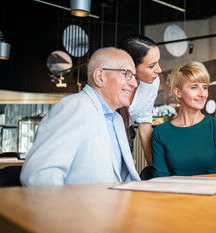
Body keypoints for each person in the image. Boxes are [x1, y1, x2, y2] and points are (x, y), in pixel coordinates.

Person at [20, 47, 141, 186]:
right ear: (100, 77)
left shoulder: (117, 119)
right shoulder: (74, 106)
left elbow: (121, 177)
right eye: (127, 74)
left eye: (134, 77)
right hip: (80, 207)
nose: (134, 83)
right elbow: (39, 176)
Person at [118, 34, 162, 179]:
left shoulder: (152, 82)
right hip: (102, 134)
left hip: (127, 133)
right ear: (131, 67)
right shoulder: (113, 82)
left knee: (122, 180)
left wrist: (153, 166)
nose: (159, 70)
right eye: (152, 66)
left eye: (158, 63)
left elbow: (144, 121)